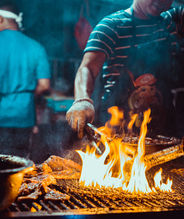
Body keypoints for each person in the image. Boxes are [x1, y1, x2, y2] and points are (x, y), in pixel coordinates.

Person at [66, 0, 184, 139]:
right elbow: (88, 68)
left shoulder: (171, 21)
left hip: (163, 131)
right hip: (119, 129)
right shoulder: (111, 26)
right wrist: (82, 100)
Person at [0, 4, 51, 158]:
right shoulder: (36, 47)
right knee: (19, 165)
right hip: (22, 116)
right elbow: (44, 85)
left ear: (0, 19)